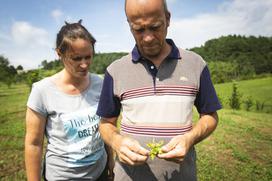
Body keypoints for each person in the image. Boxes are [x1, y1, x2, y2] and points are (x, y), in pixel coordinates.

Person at [97, 0, 222, 180]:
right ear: (129, 26)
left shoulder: (196, 64)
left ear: (168, 18)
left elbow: (210, 116)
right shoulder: (115, 70)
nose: (147, 37)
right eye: (139, 30)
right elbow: (106, 123)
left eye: (155, 27)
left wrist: (190, 138)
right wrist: (117, 142)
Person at [25, 20, 113, 181]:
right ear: (60, 53)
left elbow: (106, 127)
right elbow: (34, 144)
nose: (84, 64)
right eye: (76, 58)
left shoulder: (101, 83)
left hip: (99, 172)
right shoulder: (42, 91)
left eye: (88, 57)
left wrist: (111, 165)